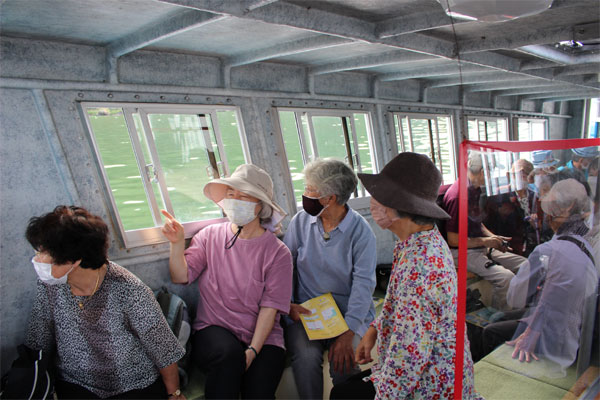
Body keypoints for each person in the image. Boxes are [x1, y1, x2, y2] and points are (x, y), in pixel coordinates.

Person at [330, 152, 480, 399]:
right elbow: (401, 306)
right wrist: (375, 328)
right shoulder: (418, 240)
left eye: (380, 196)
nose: (373, 202)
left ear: (397, 206)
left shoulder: (420, 267)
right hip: (439, 370)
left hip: (432, 385)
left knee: (342, 394)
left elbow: (409, 359)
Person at [25, 206, 185, 399]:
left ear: (74, 260)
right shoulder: (50, 285)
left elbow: (163, 349)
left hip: (133, 385)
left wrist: (174, 393)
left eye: (42, 253)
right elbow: (38, 338)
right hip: (75, 383)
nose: (36, 259)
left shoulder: (129, 290)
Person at [162, 164, 293, 400]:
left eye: (243, 196)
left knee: (259, 392)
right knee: (228, 357)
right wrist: (176, 243)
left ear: (260, 205)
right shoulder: (209, 236)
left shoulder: (278, 253)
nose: (234, 200)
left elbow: (270, 308)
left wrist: (252, 351)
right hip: (214, 328)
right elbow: (181, 276)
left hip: (263, 336)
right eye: (231, 194)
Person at [283, 158, 377, 400]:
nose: (305, 194)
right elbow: (285, 267)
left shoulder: (361, 232)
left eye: (310, 190)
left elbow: (363, 284)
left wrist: (349, 330)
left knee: (343, 361)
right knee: (305, 357)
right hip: (306, 312)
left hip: (347, 313)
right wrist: (288, 304)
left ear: (330, 198)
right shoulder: (300, 222)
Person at [482, 179, 597, 375]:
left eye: (550, 208)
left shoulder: (548, 250)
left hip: (559, 336)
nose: (546, 215)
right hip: (581, 325)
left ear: (565, 209)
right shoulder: (587, 241)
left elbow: (515, 299)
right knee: (500, 317)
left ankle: (495, 377)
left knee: (490, 331)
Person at [442, 151, 526, 311]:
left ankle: (517, 310)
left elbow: (477, 222)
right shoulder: (457, 196)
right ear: (482, 172)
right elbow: (453, 240)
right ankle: (499, 318)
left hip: (479, 246)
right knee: (506, 278)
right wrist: (486, 241)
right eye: (490, 171)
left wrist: (494, 237)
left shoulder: (474, 189)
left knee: (525, 265)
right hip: (462, 252)